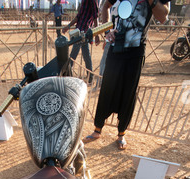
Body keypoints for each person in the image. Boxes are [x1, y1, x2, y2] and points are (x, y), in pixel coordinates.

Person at [83, 0, 169, 150]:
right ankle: (97, 129)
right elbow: (105, 6)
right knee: (107, 88)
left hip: (136, 51)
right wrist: (107, 31)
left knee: (128, 92)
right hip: (116, 47)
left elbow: (163, 16)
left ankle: (121, 133)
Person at [62, 0, 100, 84]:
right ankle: (90, 76)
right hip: (78, 29)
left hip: (84, 31)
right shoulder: (83, 1)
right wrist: (68, 26)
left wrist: (96, 34)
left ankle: (66, 74)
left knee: (73, 54)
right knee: (85, 54)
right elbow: (78, 17)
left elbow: (95, 16)